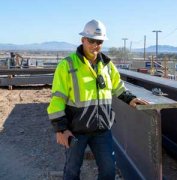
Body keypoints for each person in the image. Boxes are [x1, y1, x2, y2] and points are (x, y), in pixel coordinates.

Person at [47, 19, 148, 180]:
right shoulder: (67, 65)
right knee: (72, 171)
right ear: (83, 40)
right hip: (75, 130)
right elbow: (57, 99)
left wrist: (131, 99)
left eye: (99, 41)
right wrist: (60, 129)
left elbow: (117, 86)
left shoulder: (107, 65)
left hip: (102, 130)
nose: (95, 45)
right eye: (92, 41)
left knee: (108, 170)